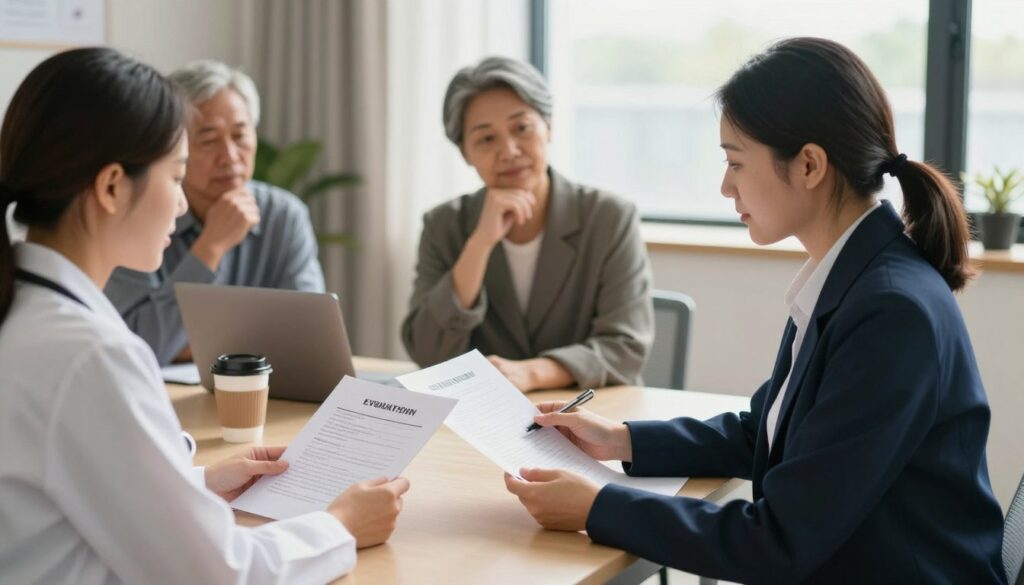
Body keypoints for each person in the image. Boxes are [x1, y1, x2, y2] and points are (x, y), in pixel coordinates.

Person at [504, 38, 1007, 583]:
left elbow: (778, 542)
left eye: (735, 162)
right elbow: (765, 434)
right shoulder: (853, 278)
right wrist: (621, 439)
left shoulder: (889, 311)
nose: (725, 186)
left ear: (810, 164)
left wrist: (596, 506)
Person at [0, 48, 408, 584]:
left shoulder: (29, 315)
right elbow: (219, 573)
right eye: (176, 175)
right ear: (112, 187)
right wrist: (340, 525)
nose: (179, 204)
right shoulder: (91, 355)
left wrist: (192, 482)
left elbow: (71, 482)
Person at [401, 56, 653, 392]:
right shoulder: (444, 224)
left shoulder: (608, 217)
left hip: (590, 414)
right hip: (483, 420)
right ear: (465, 153)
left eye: (522, 128)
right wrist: (479, 244)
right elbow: (427, 352)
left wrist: (534, 373)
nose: (508, 150)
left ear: (548, 127)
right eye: (486, 139)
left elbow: (626, 347)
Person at [104, 60, 325, 365]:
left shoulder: (284, 216)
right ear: (172, 147)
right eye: (208, 140)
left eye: (240, 135)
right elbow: (139, 347)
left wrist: (197, 345)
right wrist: (210, 248)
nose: (230, 157)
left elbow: (310, 339)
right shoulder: (140, 216)